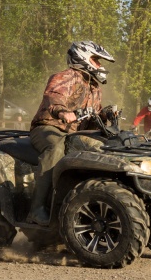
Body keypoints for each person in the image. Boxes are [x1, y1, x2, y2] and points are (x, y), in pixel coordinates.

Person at [27, 40, 115, 226]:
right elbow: (53, 97)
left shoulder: (94, 87)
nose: (100, 65)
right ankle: (36, 209)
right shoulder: (66, 76)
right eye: (96, 60)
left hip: (74, 134)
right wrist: (62, 112)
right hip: (49, 128)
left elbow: (93, 115)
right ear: (83, 58)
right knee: (56, 148)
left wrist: (106, 114)